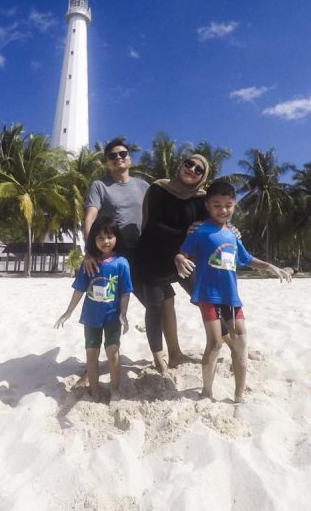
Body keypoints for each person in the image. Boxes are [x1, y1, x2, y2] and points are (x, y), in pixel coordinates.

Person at [174, 180, 292, 403]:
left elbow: (246, 259)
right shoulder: (200, 231)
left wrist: (269, 266)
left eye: (228, 205)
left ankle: (239, 394)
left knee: (241, 342)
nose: (223, 210)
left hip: (231, 297)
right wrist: (180, 260)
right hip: (208, 296)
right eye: (217, 205)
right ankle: (206, 392)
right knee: (215, 343)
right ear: (207, 205)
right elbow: (182, 253)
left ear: (234, 205)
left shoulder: (234, 235)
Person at [136, 153, 211, 374]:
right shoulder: (159, 188)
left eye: (199, 169)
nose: (192, 169)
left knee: (206, 299)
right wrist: (185, 235)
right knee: (156, 306)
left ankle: (232, 343)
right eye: (189, 164)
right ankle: (162, 359)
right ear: (181, 165)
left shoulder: (202, 199)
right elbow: (153, 225)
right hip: (153, 258)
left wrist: (231, 229)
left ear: (203, 176)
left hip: (184, 259)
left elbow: (211, 226)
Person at [55, 215, 132, 400]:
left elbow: (125, 292)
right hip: (91, 317)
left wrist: (124, 314)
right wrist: (68, 311)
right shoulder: (89, 263)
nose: (105, 241)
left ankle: (115, 389)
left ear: (116, 237)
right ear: (94, 240)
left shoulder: (122, 263)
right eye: (100, 238)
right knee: (91, 353)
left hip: (112, 316)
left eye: (109, 237)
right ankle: (94, 389)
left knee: (113, 352)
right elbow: (79, 289)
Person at [83, 137, 150, 266]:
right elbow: (90, 218)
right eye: (112, 156)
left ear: (130, 159)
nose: (118, 157)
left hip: (141, 249)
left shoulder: (144, 186)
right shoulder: (99, 186)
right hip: (112, 251)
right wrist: (90, 250)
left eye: (123, 154)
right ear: (107, 163)